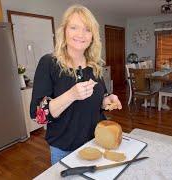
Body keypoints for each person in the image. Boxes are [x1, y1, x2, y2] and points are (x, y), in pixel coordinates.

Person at [30, 4, 122, 165]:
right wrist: (71, 95)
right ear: (64, 31)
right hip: (65, 148)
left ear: (92, 36)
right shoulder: (49, 63)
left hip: (96, 142)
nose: (81, 34)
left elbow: (100, 98)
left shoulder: (94, 65)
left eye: (87, 29)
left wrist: (107, 99)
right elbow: (38, 114)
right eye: (74, 27)